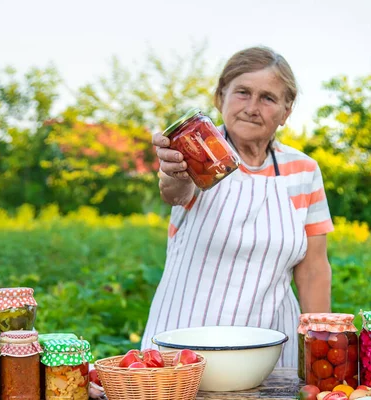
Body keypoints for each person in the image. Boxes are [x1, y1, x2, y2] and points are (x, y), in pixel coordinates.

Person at [141, 46, 334, 367]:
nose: (252, 107)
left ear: (286, 112)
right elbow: (174, 190)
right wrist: (172, 171)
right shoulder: (199, 151)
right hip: (183, 347)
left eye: (268, 98)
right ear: (220, 97)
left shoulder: (304, 170)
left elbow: (313, 270)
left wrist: (322, 351)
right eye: (242, 93)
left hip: (269, 354)